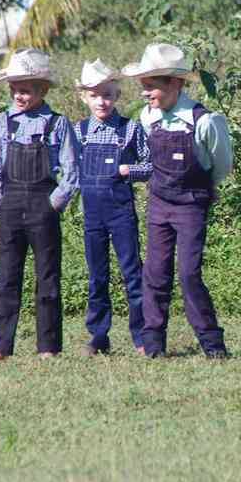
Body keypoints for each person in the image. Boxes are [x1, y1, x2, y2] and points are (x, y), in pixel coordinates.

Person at [122, 43, 233, 359]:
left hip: (191, 204)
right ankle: (154, 346)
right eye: (143, 86)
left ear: (175, 83)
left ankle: (213, 345)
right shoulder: (148, 117)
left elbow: (221, 165)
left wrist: (198, 192)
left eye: (150, 86)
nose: (145, 93)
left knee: (188, 274)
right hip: (159, 202)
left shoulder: (205, 121)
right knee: (154, 273)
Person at [0, 48, 78, 368]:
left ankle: (48, 346)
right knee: (7, 278)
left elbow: (71, 172)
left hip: (43, 206)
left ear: (42, 90)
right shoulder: (2, 122)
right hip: (9, 205)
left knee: (47, 279)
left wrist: (53, 204)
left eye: (27, 89)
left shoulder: (58, 123)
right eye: (16, 89)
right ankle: (2, 347)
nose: (20, 95)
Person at [71, 59, 152, 356]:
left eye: (107, 94)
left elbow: (150, 166)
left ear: (117, 95)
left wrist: (127, 170)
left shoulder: (130, 129)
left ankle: (142, 337)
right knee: (97, 275)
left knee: (132, 273)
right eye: (94, 95)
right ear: (84, 97)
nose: (101, 101)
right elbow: (66, 169)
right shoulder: (77, 132)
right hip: (92, 213)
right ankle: (98, 336)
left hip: (121, 212)